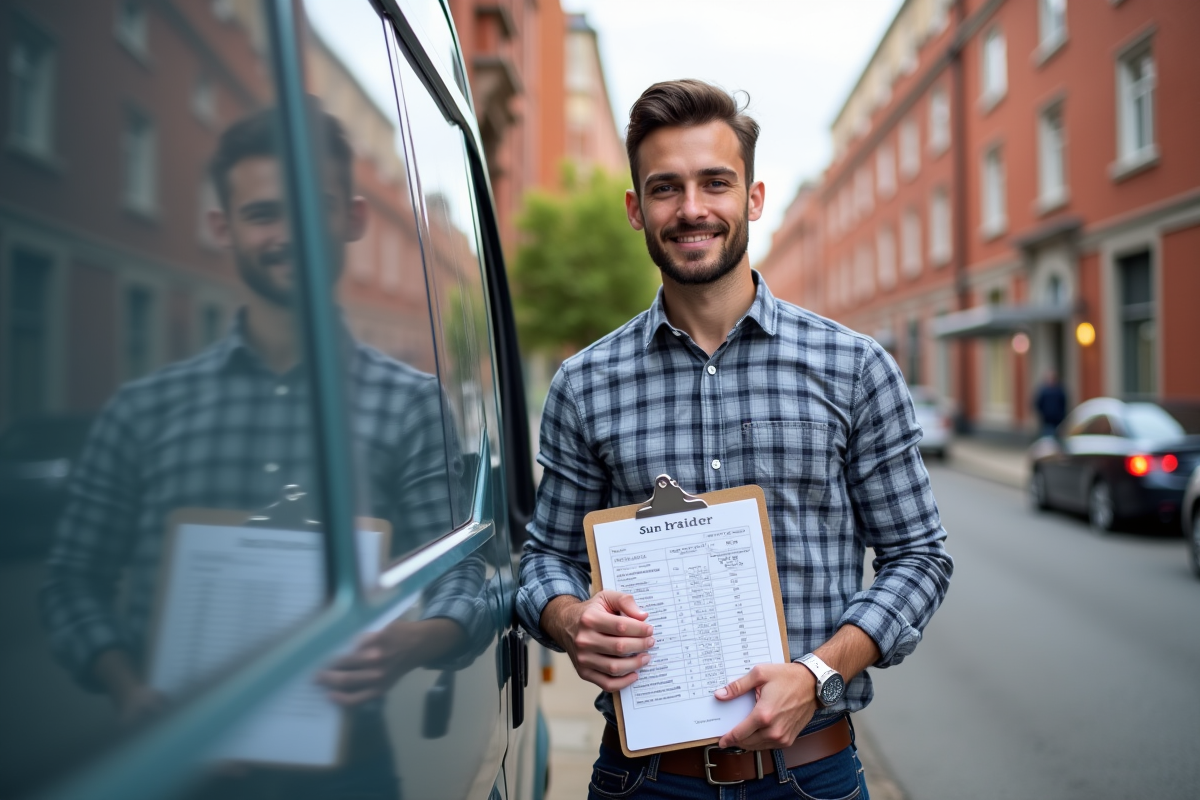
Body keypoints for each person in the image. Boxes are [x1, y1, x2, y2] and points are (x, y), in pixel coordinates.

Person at [516, 80, 954, 799]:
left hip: (812, 775)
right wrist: (571, 618)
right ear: (636, 209)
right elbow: (545, 560)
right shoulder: (583, 383)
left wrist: (818, 675)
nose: (692, 209)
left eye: (714, 183)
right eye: (666, 188)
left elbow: (920, 557)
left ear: (752, 198)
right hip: (643, 780)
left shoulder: (854, 367)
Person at [39, 104, 487, 799]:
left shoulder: (410, 403)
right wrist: (127, 688)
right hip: (167, 769)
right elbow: (71, 580)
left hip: (351, 775)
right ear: (223, 228)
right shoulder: (142, 410)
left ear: (352, 219)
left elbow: (466, 577)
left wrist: (412, 643)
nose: (289, 235)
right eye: (262, 213)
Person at [1034, 370, 1068, 437]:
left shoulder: (1059, 390)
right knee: (1047, 437)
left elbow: (1063, 404)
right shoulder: (1043, 391)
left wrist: (1062, 415)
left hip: (1058, 420)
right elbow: (1038, 404)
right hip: (1047, 420)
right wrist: (1043, 414)